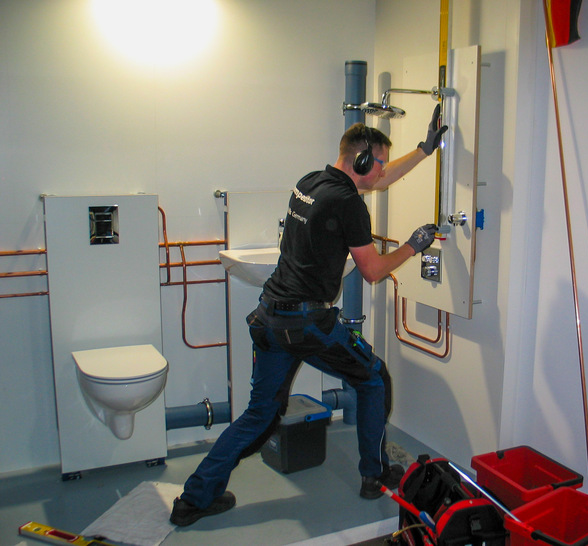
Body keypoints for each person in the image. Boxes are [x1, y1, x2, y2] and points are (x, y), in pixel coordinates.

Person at [170, 105, 448, 527]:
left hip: (269, 317)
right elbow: (372, 271)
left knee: (258, 415)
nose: (382, 174)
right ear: (361, 161)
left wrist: (424, 151)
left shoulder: (310, 182)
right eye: (379, 165)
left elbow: (379, 179)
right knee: (374, 379)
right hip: (305, 325)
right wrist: (413, 245)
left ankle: (193, 499)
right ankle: (373, 477)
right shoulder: (349, 204)